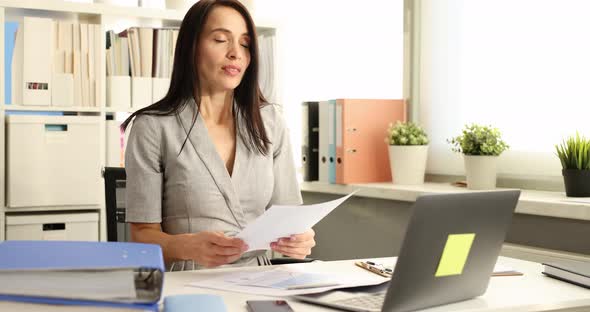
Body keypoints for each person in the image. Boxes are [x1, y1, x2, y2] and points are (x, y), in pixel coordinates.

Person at [121, 0, 315, 271]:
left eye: (245, 44)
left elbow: (290, 218)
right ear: (192, 47)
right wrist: (187, 246)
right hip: (188, 281)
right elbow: (141, 238)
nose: (235, 52)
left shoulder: (270, 121)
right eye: (221, 39)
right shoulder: (153, 127)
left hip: (260, 279)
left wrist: (300, 239)